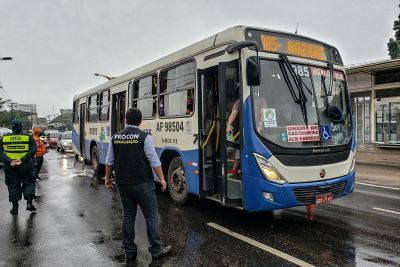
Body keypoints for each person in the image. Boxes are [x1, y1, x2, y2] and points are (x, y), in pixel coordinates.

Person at [104, 108, 171, 263]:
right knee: (151, 216)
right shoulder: (144, 137)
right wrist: (162, 179)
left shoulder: (115, 137)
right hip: (143, 184)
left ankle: (129, 251)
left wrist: (107, 178)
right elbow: (153, 159)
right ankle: (156, 250)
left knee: (128, 215)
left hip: (123, 184)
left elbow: (109, 160)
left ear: (126, 120)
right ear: (140, 121)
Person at [0, 120, 37, 214]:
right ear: (21, 127)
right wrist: (23, 160)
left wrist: (10, 160)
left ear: (12, 127)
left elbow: (0, 152)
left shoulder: (4, 138)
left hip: (10, 166)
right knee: (29, 182)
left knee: (13, 185)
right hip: (26, 165)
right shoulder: (28, 136)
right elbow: (34, 149)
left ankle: (15, 208)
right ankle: (29, 203)